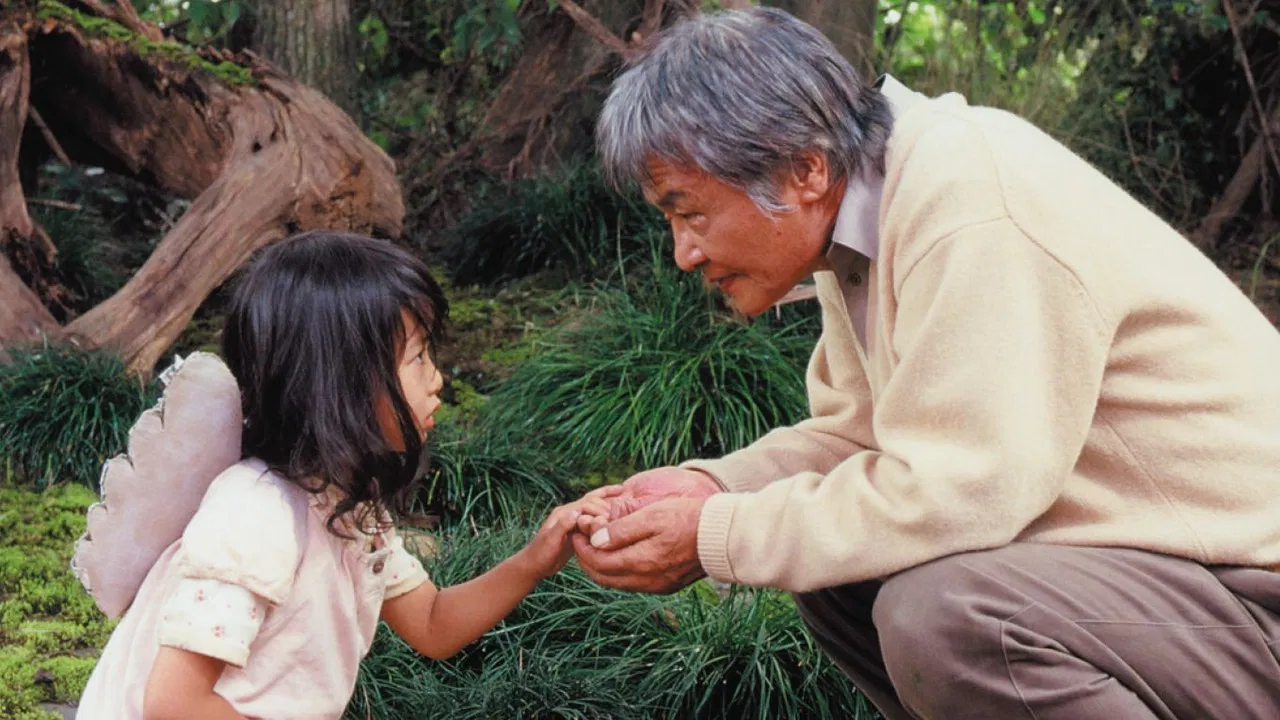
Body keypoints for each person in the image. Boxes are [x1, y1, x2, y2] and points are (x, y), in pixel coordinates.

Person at [573, 7, 1280, 719]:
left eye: (689, 213)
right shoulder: (866, 218)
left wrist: (720, 533)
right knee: (840, 571)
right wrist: (708, 488)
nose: (683, 253)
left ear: (804, 169)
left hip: (1252, 592)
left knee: (951, 617)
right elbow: (862, 442)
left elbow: (965, 489)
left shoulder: (969, 202)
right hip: (1169, 583)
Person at [77, 231, 615, 719]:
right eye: (419, 358)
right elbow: (173, 705)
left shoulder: (349, 504)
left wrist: (534, 560)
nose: (439, 380)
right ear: (343, 383)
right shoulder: (256, 514)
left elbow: (431, 623)